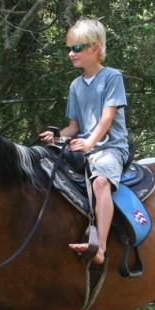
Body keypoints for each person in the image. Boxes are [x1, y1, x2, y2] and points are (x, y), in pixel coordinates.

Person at [39, 18, 129, 266]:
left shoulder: (112, 77)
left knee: (100, 182)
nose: (71, 53)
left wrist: (89, 143)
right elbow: (74, 127)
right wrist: (58, 137)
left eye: (77, 48)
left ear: (96, 48)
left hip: (110, 147)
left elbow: (107, 118)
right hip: (83, 146)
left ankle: (100, 246)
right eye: (69, 48)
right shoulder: (76, 85)